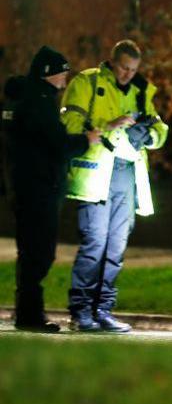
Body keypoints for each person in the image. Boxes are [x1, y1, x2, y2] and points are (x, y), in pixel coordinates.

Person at [60, 39, 168, 333]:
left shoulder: (142, 90)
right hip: (97, 173)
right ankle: (81, 312)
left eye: (133, 70)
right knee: (94, 243)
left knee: (116, 246)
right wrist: (110, 124)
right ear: (112, 62)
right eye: (123, 68)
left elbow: (160, 128)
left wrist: (147, 136)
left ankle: (103, 310)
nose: (127, 75)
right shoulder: (88, 81)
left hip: (126, 174)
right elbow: (69, 121)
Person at [2, 46, 100, 332]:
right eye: (62, 73)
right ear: (48, 74)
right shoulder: (39, 102)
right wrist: (86, 140)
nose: (65, 79)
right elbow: (56, 145)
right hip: (39, 189)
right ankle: (30, 316)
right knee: (40, 253)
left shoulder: (18, 99)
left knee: (30, 251)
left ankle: (27, 312)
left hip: (23, 186)